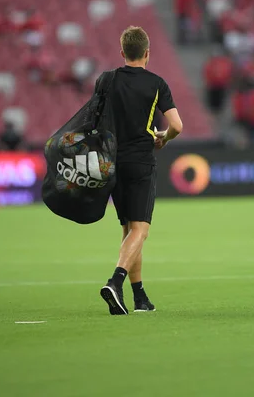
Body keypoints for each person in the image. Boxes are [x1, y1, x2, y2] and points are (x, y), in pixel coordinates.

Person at [100, 26, 183, 315]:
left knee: (128, 231)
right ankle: (116, 281)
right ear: (147, 53)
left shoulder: (107, 80)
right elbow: (177, 125)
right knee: (141, 231)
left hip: (112, 163)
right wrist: (163, 138)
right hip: (140, 161)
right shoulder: (156, 83)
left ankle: (139, 298)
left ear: (122, 53)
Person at [203, 49, 233, 115]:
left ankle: (218, 110)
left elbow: (228, 72)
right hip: (213, 85)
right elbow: (207, 72)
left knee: (220, 100)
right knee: (212, 100)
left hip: (221, 85)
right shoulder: (211, 63)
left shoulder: (225, 63)